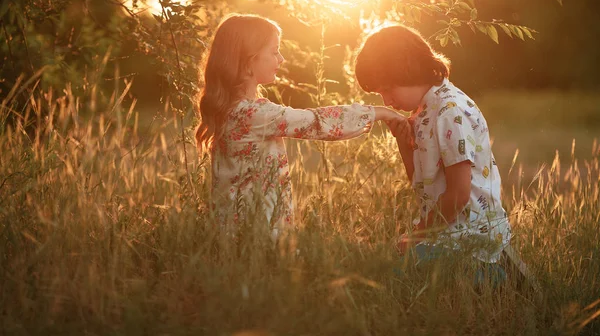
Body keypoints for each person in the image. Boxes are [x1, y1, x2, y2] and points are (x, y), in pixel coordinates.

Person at [195, 14, 403, 242]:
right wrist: (379, 112)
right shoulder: (251, 114)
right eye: (274, 52)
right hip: (255, 235)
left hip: (238, 233)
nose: (281, 59)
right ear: (248, 61)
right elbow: (317, 122)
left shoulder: (235, 110)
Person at [354, 24, 512, 268]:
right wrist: (405, 144)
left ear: (407, 72)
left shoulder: (450, 111)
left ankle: (490, 276)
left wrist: (416, 236)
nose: (387, 101)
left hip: (472, 240)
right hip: (448, 233)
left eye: (387, 89)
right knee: (382, 260)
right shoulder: (424, 110)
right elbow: (423, 185)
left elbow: (458, 196)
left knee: (390, 270)